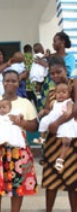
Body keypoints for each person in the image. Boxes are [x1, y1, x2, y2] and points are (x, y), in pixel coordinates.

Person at [0, 69, 38, 212]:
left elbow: (34, 126)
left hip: (18, 149)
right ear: (3, 82)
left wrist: (21, 123)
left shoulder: (25, 103)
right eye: (7, 80)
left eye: (14, 81)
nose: (10, 83)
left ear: (19, 83)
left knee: (17, 184)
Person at [41, 56, 77, 212]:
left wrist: (57, 123)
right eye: (52, 73)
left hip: (70, 139)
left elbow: (75, 110)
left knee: (73, 179)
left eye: (58, 72)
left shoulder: (74, 85)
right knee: (51, 178)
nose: (55, 76)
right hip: (53, 140)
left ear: (65, 70)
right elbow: (48, 110)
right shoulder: (51, 91)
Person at [34, 82, 77, 171]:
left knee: (66, 141)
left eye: (64, 92)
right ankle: (42, 138)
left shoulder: (68, 102)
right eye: (58, 92)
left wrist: (68, 112)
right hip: (56, 122)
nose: (61, 94)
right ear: (55, 94)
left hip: (66, 123)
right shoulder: (55, 103)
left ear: (69, 94)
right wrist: (45, 112)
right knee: (44, 121)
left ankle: (61, 159)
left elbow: (69, 109)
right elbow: (53, 114)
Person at [36, 31, 76, 110]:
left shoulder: (70, 57)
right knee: (47, 109)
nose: (53, 44)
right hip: (47, 88)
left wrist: (46, 64)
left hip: (61, 87)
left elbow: (67, 71)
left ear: (62, 42)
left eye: (55, 41)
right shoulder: (50, 56)